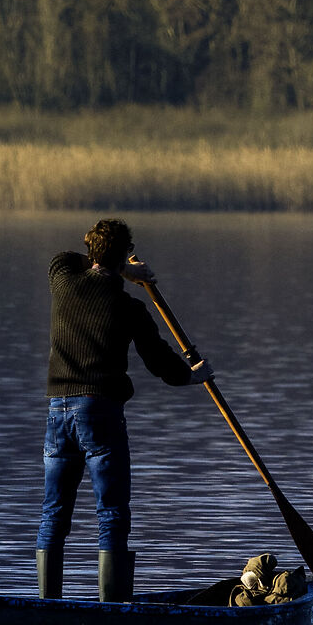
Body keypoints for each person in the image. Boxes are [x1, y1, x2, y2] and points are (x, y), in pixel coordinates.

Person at [36, 216, 212, 602]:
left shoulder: (64, 283)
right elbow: (160, 362)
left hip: (57, 412)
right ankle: (112, 609)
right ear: (123, 256)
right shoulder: (129, 307)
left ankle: (48, 604)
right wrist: (193, 376)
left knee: (54, 513)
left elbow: (61, 258)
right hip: (99, 413)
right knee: (112, 513)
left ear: (91, 250)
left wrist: (118, 267)